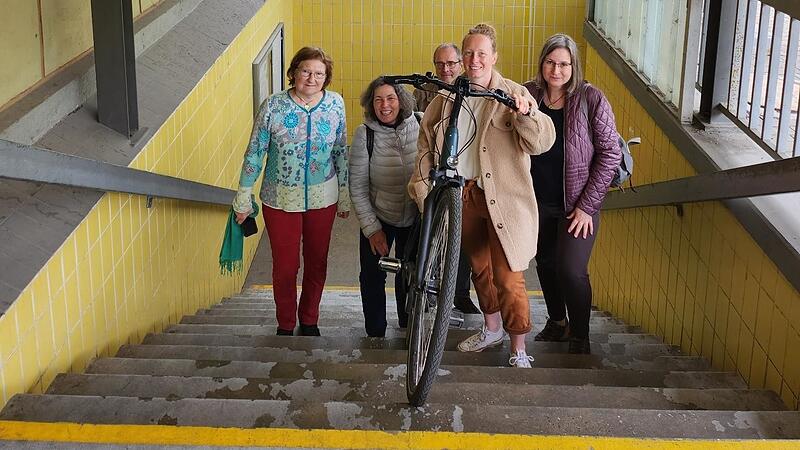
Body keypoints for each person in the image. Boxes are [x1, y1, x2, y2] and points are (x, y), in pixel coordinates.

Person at [409, 24, 556, 368]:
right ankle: (492, 329)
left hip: (504, 198)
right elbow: (425, 145)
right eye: (469, 54)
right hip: (462, 194)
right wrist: (423, 187)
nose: (475, 60)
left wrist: (528, 114)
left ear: (494, 57)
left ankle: (519, 347)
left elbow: (541, 142)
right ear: (462, 58)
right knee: (479, 268)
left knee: (508, 275)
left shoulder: (514, 94)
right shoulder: (446, 97)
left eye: (482, 53)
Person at [233, 46, 349, 337]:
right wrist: (243, 195)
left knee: (317, 262)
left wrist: (345, 193)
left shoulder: (336, 104)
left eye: (319, 73)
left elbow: (340, 151)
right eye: (306, 71)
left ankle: (309, 319)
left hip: (324, 198)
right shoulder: (273, 106)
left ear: (327, 77)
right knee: (285, 267)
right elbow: (255, 152)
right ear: (294, 72)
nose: (312, 78)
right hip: (279, 199)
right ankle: (285, 322)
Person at [524, 34, 622, 354]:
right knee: (546, 263)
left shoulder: (591, 99)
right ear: (542, 63)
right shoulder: (530, 95)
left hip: (577, 205)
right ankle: (557, 322)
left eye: (564, 64)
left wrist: (586, 207)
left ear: (574, 66)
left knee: (570, 269)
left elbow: (610, 154)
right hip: (537, 202)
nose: (556, 70)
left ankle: (580, 335)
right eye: (551, 62)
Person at [414, 43, 481, 316]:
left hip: (461, 174)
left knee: (460, 239)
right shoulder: (423, 91)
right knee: (429, 236)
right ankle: (428, 291)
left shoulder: (472, 88)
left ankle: (459, 294)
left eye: (452, 63)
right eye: (440, 64)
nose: (446, 69)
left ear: (460, 64)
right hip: (430, 171)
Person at [349, 77, 419, 337]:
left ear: (401, 100)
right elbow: (356, 187)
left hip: (415, 218)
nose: (384, 105)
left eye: (390, 98)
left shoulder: (421, 124)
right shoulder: (364, 134)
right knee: (372, 276)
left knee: (411, 275)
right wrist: (372, 229)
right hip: (380, 216)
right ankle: (376, 332)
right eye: (378, 100)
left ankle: (408, 325)